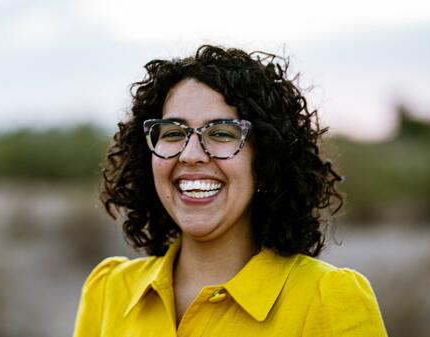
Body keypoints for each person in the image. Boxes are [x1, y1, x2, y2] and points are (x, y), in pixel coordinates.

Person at [72, 45, 387, 336]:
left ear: (265, 157)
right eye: (173, 132)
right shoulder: (108, 289)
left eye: (221, 132)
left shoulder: (327, 298)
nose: (191, 154)